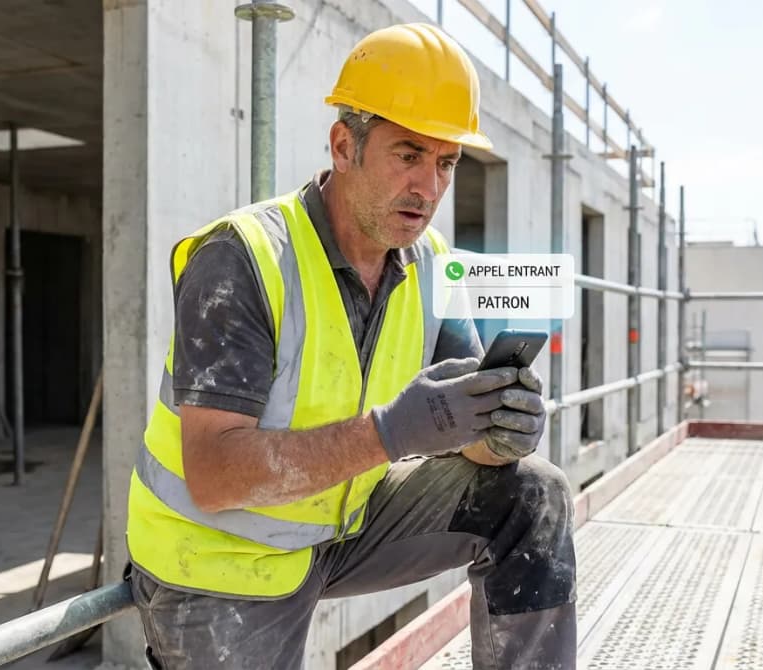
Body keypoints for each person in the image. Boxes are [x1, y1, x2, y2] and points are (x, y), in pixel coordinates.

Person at [125, 23, 576, 670]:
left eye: (445, 162)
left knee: (532, 494)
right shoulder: (242, 258)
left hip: (342, 525)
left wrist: (499, 429)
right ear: (344, 145)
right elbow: (215, 476)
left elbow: (464, 427)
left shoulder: (430, 264)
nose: (428, 188)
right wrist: (390, 433)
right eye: (408, 155)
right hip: (218, 557)